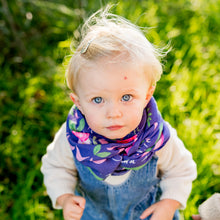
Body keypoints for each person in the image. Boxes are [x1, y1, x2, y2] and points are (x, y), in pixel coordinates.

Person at [41, 6, 197, 220]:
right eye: (97, 100)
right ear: (78, 103)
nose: (113, 113)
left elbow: (181, 170)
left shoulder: (156, 136)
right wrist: (65, 197)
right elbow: (56, 167)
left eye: (126, 97)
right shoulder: (74, 137)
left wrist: (169, 204)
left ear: (146, 96)